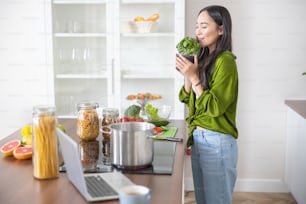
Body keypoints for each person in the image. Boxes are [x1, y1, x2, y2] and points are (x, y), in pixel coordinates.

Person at [176, 5, 239, 204]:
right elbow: (187, 100)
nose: (198, 32)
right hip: (200, 139)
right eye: (197, 27)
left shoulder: (226, 61)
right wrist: (188, 74)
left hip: (217, 141)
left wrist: (194, 78)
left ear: (221, 29)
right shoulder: (203, 59)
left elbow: (215, 108)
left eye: (204, 26)